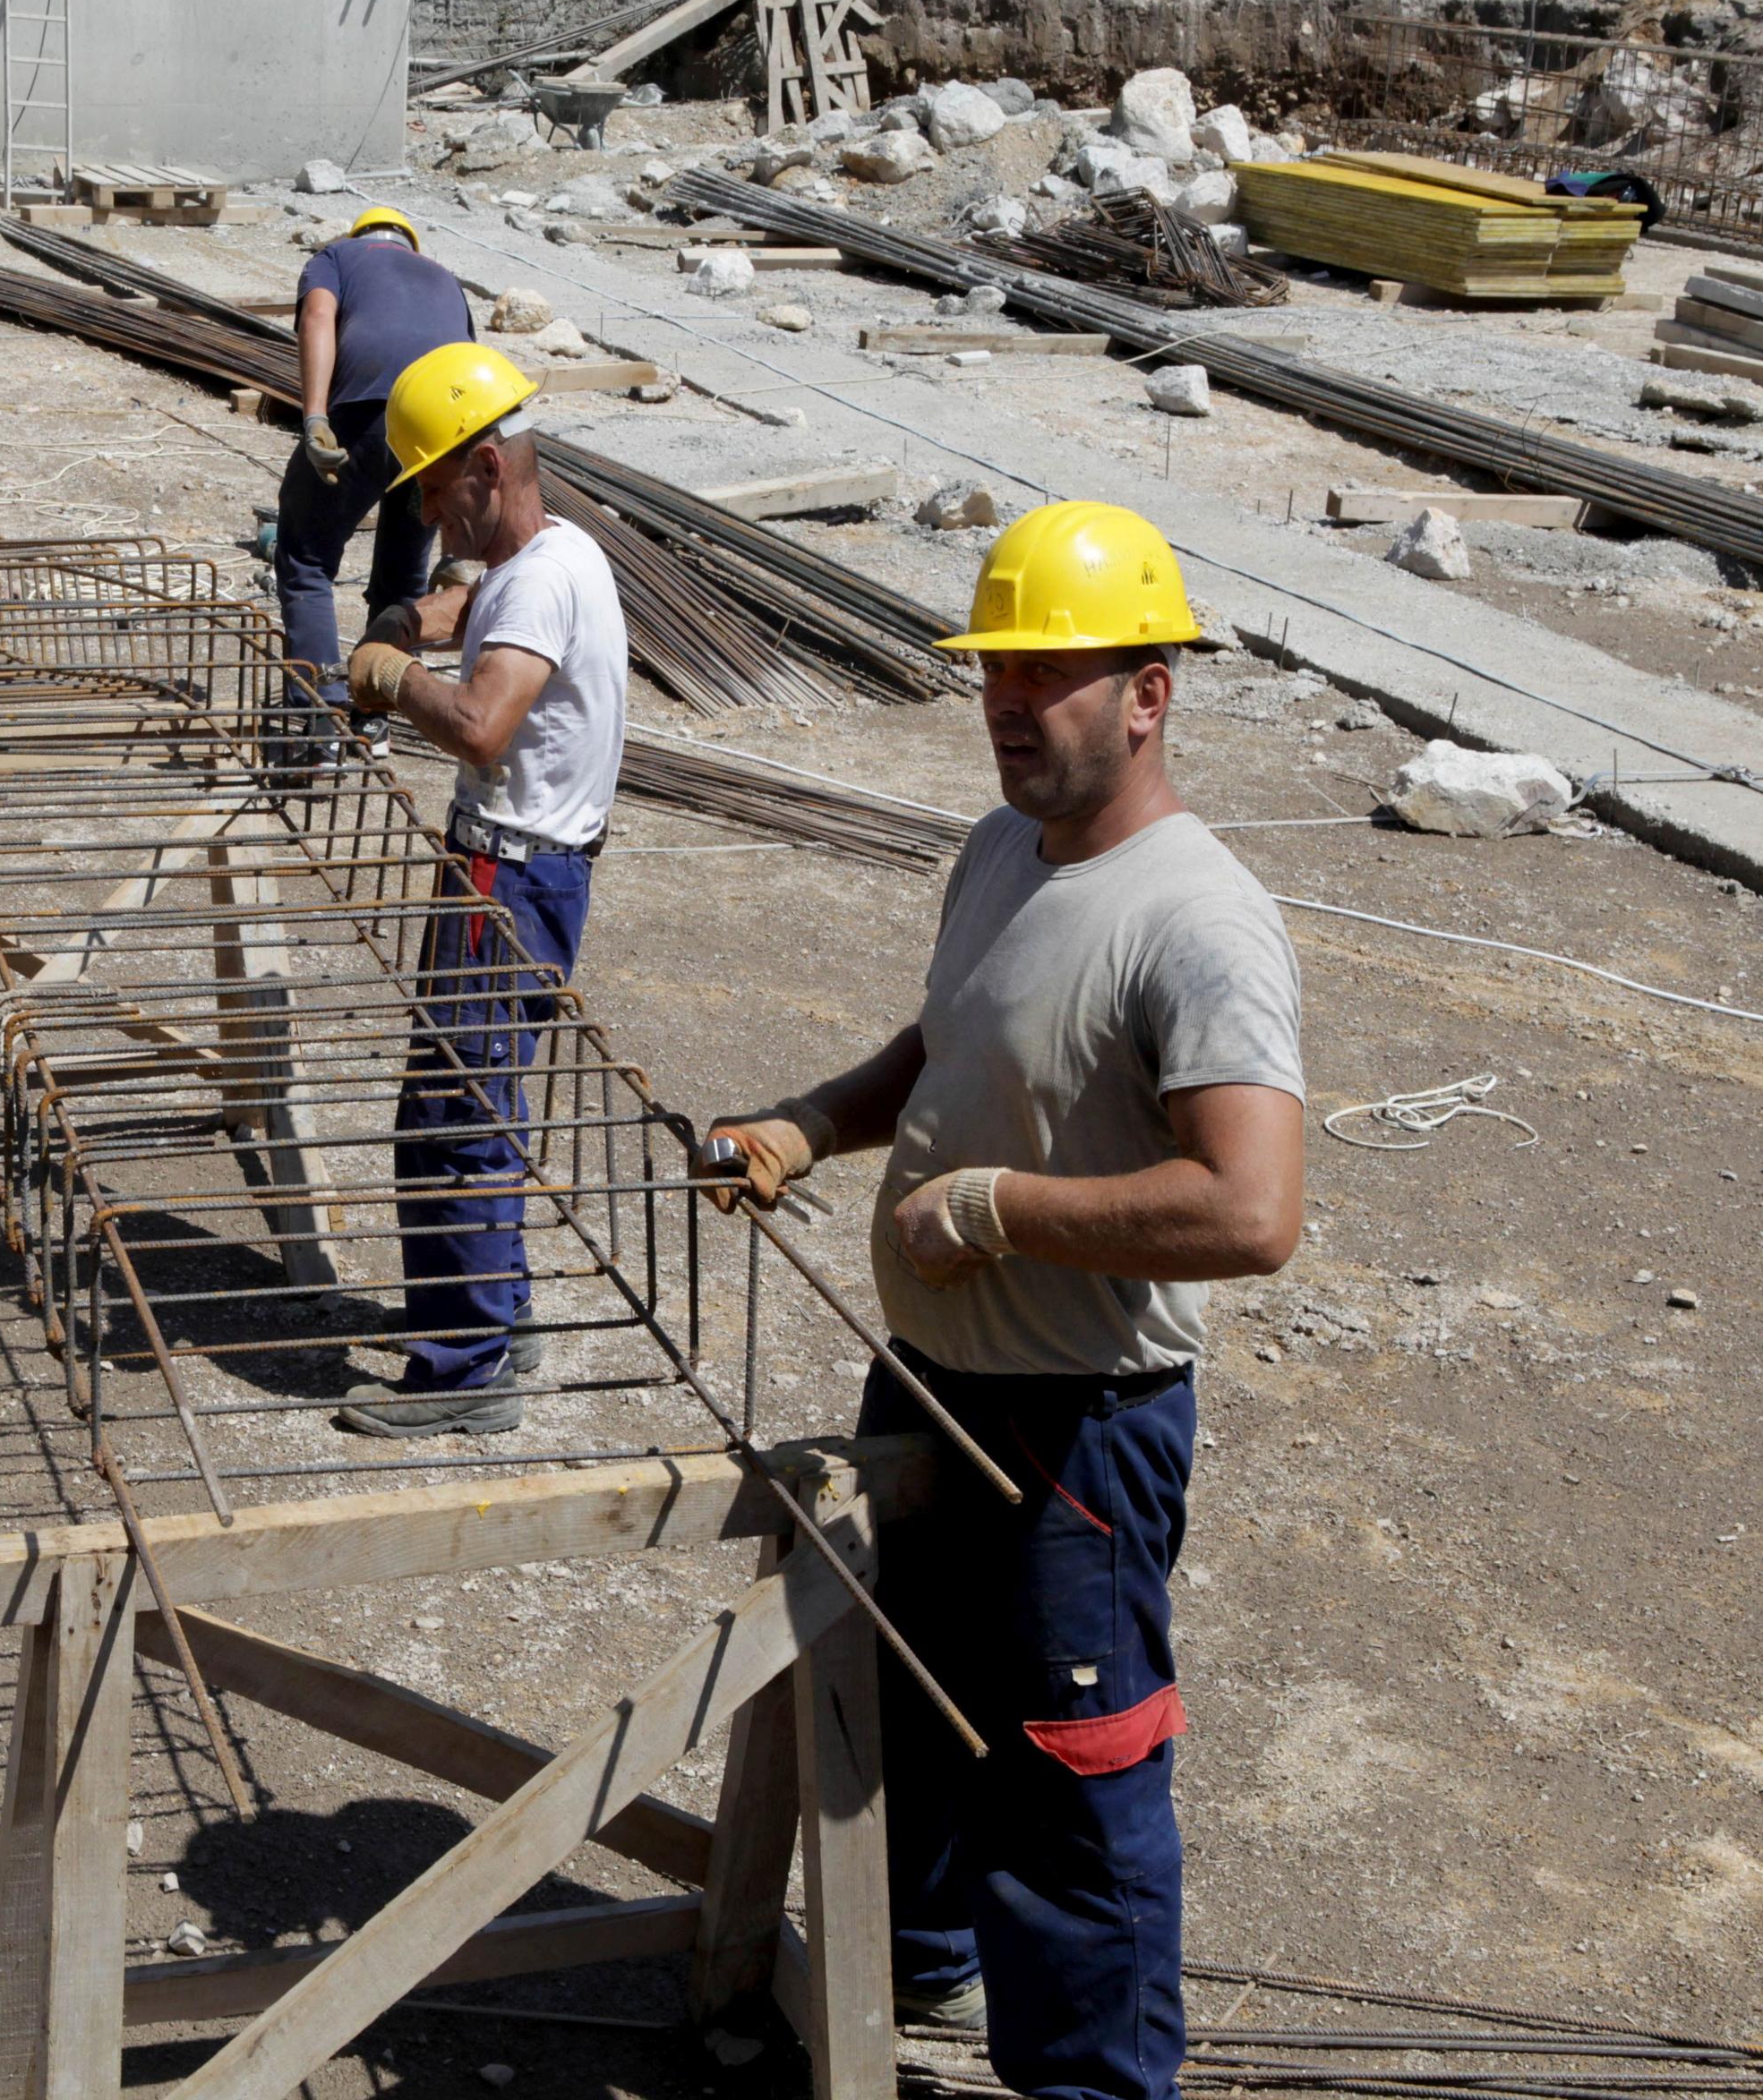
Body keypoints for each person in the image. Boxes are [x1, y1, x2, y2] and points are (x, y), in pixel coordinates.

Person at [696, 502, 1305, 2100]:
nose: (1011, 708)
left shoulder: (1200, 917)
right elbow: (948, 1043)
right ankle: (916, 1981)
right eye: (995, 674)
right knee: (915, 1718)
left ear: (1151, 694)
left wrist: (1005, 1209)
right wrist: (813, 1122)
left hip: (1075, 1440)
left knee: (1073, 1797)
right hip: (936, 1383)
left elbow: (1252, 1210)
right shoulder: (999, 853)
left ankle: (1093, 2087)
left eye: (1052, 676)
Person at [332, 343, 627, 1438]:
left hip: (506, 874)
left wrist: (391, 676)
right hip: (532, 871)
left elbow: (483, 726)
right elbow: (476, 605)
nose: (423, 507)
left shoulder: (543, 576)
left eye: (432, 486)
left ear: (487, 468)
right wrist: (411, 622)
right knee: (481, 1098)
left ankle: (462, 1374)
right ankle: (496, 1313)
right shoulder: (552, 554)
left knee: (451, 1112)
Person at [277, 207, 473, 732]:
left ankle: (321, 718)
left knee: (305, 557)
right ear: (409, 244)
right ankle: (374, 711)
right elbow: (468, 371)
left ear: (359, 234)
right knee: (403, 575)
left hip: (366, 414)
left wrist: (316, 417)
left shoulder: (336, 255)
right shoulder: (445, 278)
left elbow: (318, 318)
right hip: (438, 432)